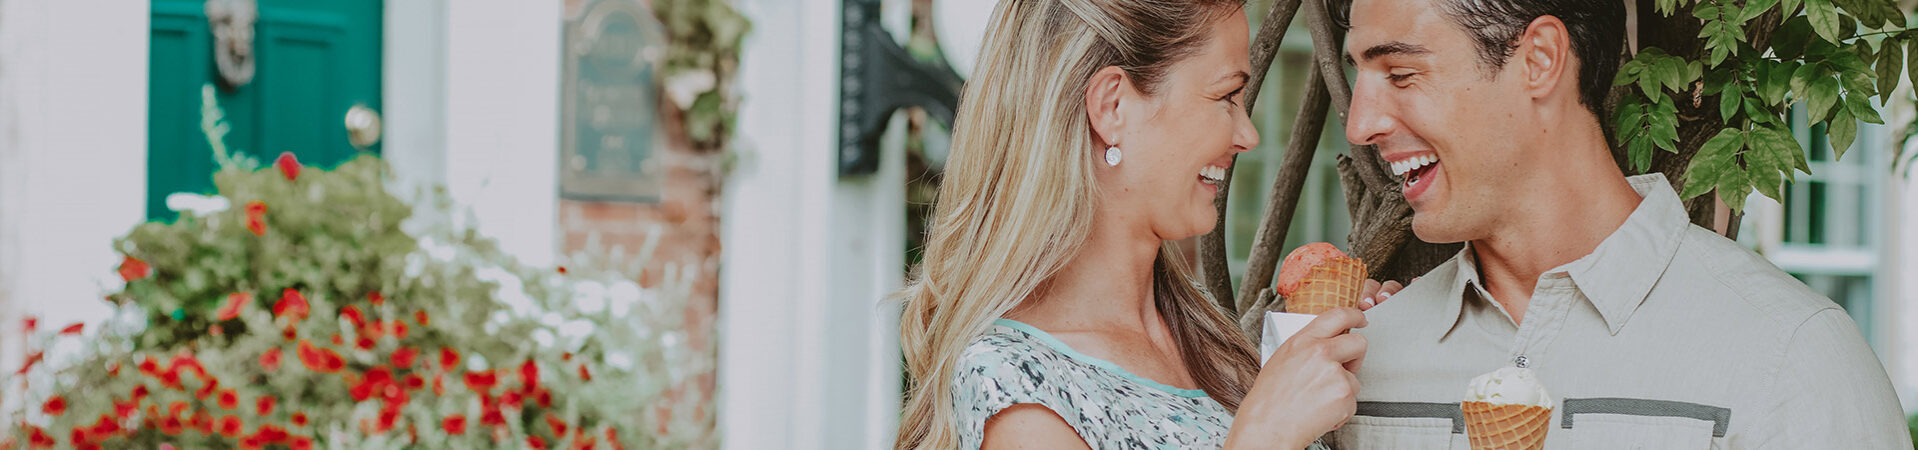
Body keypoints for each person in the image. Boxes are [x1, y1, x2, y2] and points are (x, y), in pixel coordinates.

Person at [1333, 0, 1911, 447]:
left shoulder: (1792, 356)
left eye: (1402, 74)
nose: (1360, 125)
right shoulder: (1358, 365)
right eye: (1359, 75)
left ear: (1539, 60)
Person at [890, 0, 1403, 448]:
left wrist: (1336, 369)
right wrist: (1266, 436)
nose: (1246, 134)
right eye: (1227, 96)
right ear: (1112, 106)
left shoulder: (1208, 342)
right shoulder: (1018, 384)